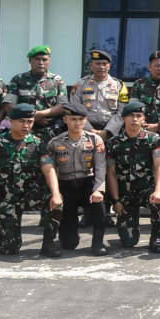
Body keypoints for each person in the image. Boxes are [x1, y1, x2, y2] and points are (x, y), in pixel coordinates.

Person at [40, 103, 108, 257]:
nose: (77, 123)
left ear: (86, 120)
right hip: (66, 186)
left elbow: (100, 167)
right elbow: (52, 171)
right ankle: (61, 237)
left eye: (81, 119)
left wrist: (98, 189)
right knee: (69, 244)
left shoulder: (95, 140)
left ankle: (98, 241)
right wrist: (55, 193)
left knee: (99, 207)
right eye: (73, 119)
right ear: (65, 120)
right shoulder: (55, 142)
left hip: (88, 185)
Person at [0, 103, 47, 255]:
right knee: (10, 248)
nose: (26, 125)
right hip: (6, 199)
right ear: (10, 121)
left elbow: (49, 171)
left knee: (55, 201)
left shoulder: (38, 143)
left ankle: (49, 243)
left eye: (29, 121)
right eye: (21, 121)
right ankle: (0, 229)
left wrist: (55, 194)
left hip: (30, 195)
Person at [104, 100, 160, 253]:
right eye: (131, 116)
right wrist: (116, 201)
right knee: (129, 242)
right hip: (124, 194)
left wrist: (158, 190)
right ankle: (129, 229)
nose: (134, 119)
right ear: (123, 119)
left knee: (159, 201)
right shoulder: (113, 143)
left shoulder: (154, 139)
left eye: (139, 116)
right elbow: (110, 173)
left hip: (145, 189)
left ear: (143, 119)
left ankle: (156, 238)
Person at [0, 45, 68, 144]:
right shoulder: (18, 79)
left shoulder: (57, 81)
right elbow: (8, 105)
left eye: (44, 59)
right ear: (30, 61)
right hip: (23, 133)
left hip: (51, 133)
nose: (41, 63)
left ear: (49, 61)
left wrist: (37, 115)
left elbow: (62, 106)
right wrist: (31, 118)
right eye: (37, 59)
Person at [69, 49, 127, 140]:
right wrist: (90, 130)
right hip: (85, 132)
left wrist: (107, 131)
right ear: (91, 65)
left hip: (112, 134)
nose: (101, 67)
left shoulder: (119, 85)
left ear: (110, 65)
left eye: (104, 64)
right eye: (98, 63)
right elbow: (75, 109)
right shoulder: (80, 85)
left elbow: (122, 111)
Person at [127, 50, 160, 137]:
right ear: (150, 67)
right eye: (157, 66)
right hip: (143, 133)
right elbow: (133, 108)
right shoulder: (139, 84)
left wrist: (159, 125)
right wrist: (144, 124)